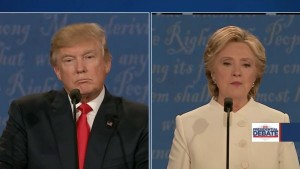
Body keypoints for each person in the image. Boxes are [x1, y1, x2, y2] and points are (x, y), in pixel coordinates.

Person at [0, 23, 148, 169]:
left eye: (89, 57)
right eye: (69, 60)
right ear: (57, 71)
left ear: (107, 63)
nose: (80, 68)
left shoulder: (139, 119)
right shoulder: (28, 114)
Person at [167, 26, 299, 169]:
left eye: (246, 65)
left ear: (256, 74)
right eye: (227, 63)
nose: (237, 72)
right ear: (212, 72)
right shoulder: (187, 125)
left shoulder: (280, 121)